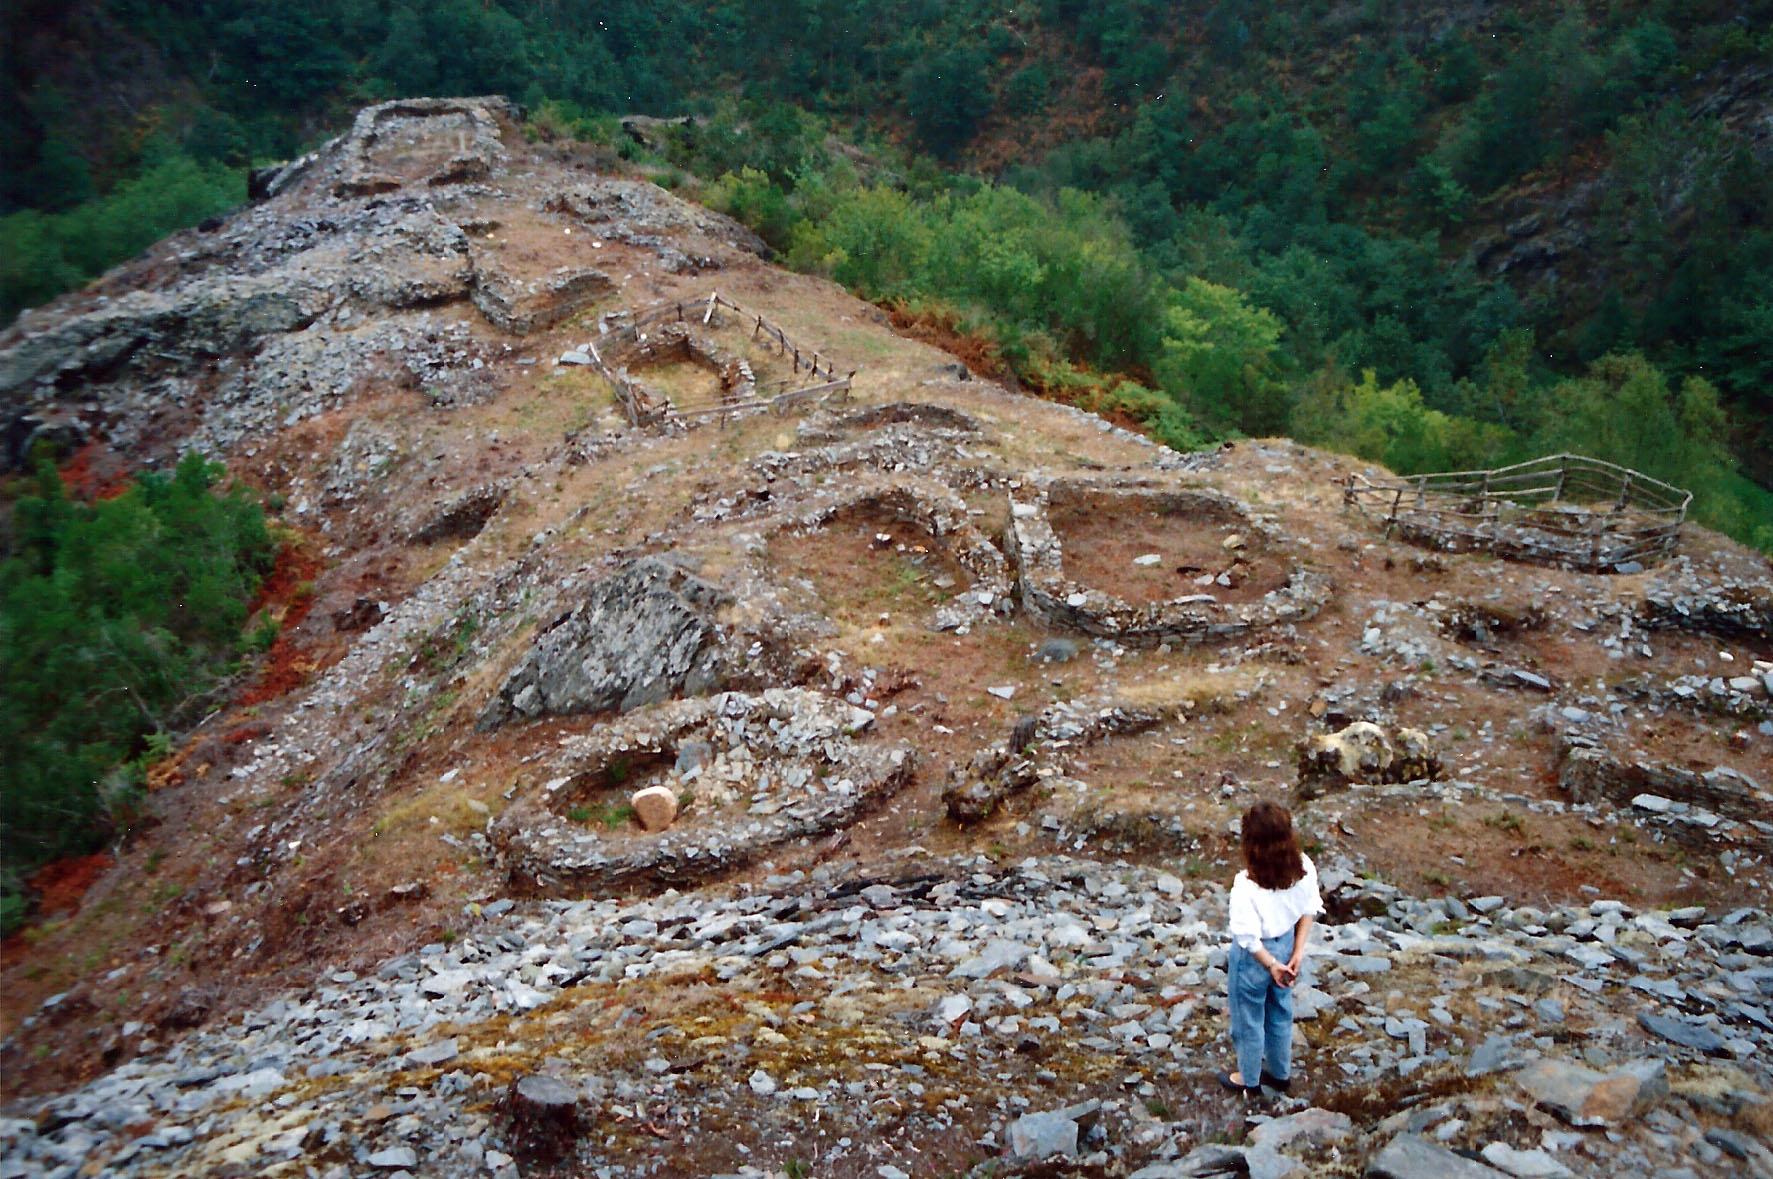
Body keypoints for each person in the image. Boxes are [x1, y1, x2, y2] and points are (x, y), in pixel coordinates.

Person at [1218, 800, 1323, 1097]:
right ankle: (1280, 1073)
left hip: (1254, 958)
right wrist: (1296, 953)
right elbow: (1309, 909)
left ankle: (1248, 1079)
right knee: (1280, 1011)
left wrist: (1270, 964)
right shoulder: (1303, 867)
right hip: (1287, 944)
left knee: (1248, 1017)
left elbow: (1247, 937)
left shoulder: (1246, 885)